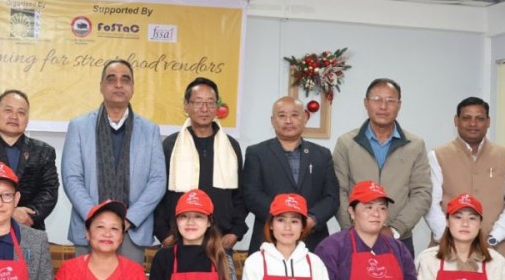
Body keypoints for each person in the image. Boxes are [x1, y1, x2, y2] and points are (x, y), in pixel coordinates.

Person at [61, 59, 166, 264]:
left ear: (132, 88)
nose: (119, 84)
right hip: (88, 229)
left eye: (125, 79)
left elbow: (158, 181)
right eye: (112, 79)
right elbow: (71, 178)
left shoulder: (150, 130)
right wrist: (96, 219)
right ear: (101, 86)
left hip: (132, 230)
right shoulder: (79, 127)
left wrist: (129, 219)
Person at [332, 78, 431, 256]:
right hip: (353, 238)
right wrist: (356, 228)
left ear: (399, 105)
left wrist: (395, 229)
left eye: (390, 101)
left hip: (399, 239)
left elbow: (421, 193)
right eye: (377, 99)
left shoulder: (415, 145)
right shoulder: (346, 143)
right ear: (366, 103)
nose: (383, 106)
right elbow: (339, 190)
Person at [154, 77, 248, 253]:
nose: (204, 109)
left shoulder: (231, 146)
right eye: (198, 102)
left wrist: (235, 232)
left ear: (217, 107)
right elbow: (158, 193)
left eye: (210, 103)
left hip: (220, 240)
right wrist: (164, 234)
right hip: (177, 240)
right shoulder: (171, 145)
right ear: (186, 105)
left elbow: (240, 195)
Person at [424, 97, 505, 261]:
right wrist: (449, 239)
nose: (473, 123)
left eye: (479, 118)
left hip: (494, 250)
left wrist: (494, 237)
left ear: (488, 122)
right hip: (447, 250)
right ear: (456, 121)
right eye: (466, 118)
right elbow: (430, 204)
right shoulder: (437, 156)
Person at [242, 96, 340, 253]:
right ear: (273, 120)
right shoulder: (256, 153)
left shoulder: (321, 154)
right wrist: (283, 221)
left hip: (313, 240)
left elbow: (332, 197)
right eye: (282, 116)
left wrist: (310, 220)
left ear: (305, 118)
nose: (288, 121)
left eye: (295, 115)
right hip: (269, 239)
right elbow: (251, 195)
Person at [0, 89, 59, 230]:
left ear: (27, 119)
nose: (14, 116)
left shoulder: (44, 151)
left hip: (29, 229)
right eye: (8, 110)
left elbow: (49, 191)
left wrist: (28, 216)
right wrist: (10, 212)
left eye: (21, 112)